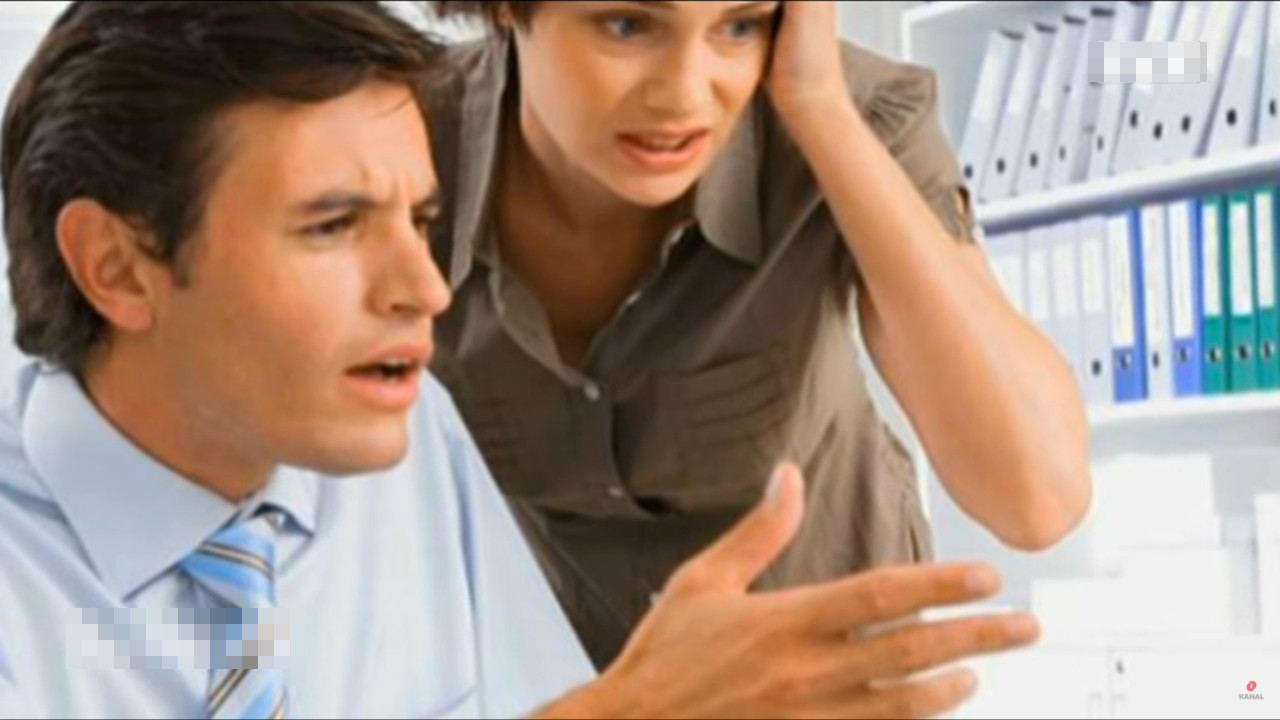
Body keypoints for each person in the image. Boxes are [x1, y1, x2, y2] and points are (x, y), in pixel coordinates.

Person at [0, 2, 1042, 718]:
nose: (426, 290)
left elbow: (1034, 491)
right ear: (117, 266)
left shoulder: (405, 448)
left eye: (421, 222)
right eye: (332, 226)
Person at [423, 0, 1093, 666]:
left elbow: (1036, 500)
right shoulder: (407, 144)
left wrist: (821, 108)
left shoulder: (858, 112)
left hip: (837, 691)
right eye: (628, 26)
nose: (686, 95)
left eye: (740, 26)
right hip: (580, 698)